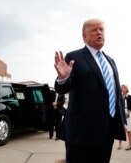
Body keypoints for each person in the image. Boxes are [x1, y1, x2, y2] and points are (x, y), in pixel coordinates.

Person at [54, 18, 126, 163]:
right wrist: (63, 78)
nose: (99, 33)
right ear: (84, 37)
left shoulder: (110, 61)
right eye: (94, 30)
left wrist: (121, 120)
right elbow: (63, 88)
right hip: (82, 132)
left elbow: (115, 93)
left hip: (107, 130)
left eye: (101, 29)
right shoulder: (74, 57)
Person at [118, 84, 131, 150]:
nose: (122, 89)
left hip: (127, 112)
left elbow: (130, 106)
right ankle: (120, 144)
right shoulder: (119, 96)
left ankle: (130, 145)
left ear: (126, 89)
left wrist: (128, 113)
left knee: (128, 130)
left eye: (124, 88)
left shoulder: (130, 96)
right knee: (120, 129)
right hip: (120, 112)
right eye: (121, 88)